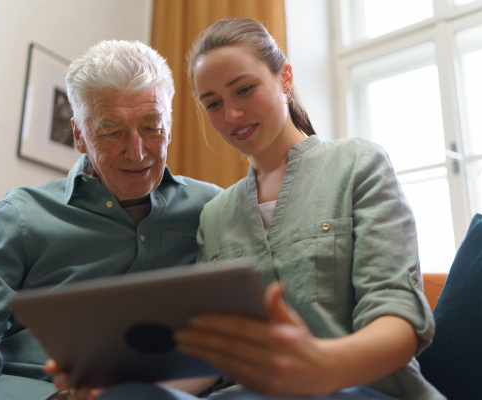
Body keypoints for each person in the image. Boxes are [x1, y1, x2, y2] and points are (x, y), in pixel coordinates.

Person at [48, 19, 444, 400]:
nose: (231, 115)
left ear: (285, 78)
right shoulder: (216, 214)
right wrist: (119, 388)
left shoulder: (358, 165)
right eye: (213, 103)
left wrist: (322, 364)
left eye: (244, 90)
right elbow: (212, 355)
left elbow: (398, 319)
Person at [0, 40, 222, 400]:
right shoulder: (23, 213)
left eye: (152, 126)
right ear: (80, 136)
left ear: (170, 125)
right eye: (112, 132)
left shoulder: (212, 208)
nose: (138, 151)